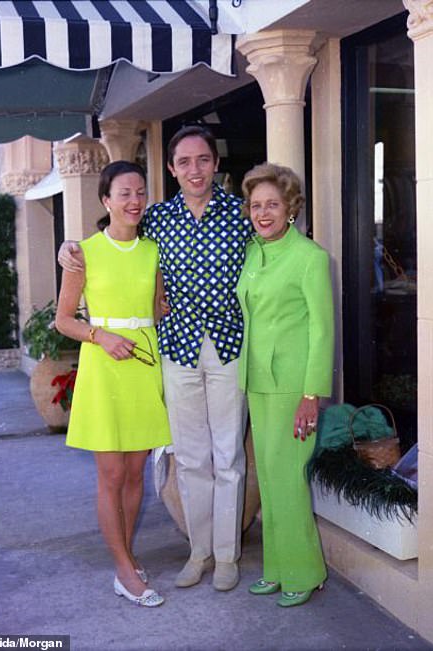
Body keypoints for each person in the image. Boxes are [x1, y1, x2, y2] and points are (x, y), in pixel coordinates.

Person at [59, 126, 253, 592]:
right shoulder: (158, 219)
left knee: (227, 455)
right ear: (172, 169)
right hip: (176, 350)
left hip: (227, 346)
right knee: (188, 457)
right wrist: (69, 247)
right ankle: (199, 552)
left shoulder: (241, 216)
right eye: (184, 162)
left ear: (215, 164)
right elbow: (112, 244)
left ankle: (227, 556)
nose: (194, 169)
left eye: (203, 159)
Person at [55, 160, 171, 608]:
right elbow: (65, 320)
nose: (135, 200)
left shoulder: (153, 251)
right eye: (124, 193)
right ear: (106, 200)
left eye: (140, 192)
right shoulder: (83, 252)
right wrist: (100, 335)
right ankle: (123, 569)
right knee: (112, 473)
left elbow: (158, 307)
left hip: (143, 363)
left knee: (136, 473)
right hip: (104, 363)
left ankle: (128, 556)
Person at [237, 163, 334, 608]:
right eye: (256, 205)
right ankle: (277, 569)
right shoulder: (254, 252)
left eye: (272, 204)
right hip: (258, 381)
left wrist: (310, 395)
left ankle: (306, 572)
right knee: (272, 480)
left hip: (293, 388)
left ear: (290, 207)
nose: (263, 213)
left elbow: (322, 332)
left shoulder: (309, 257)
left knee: (289, 480)